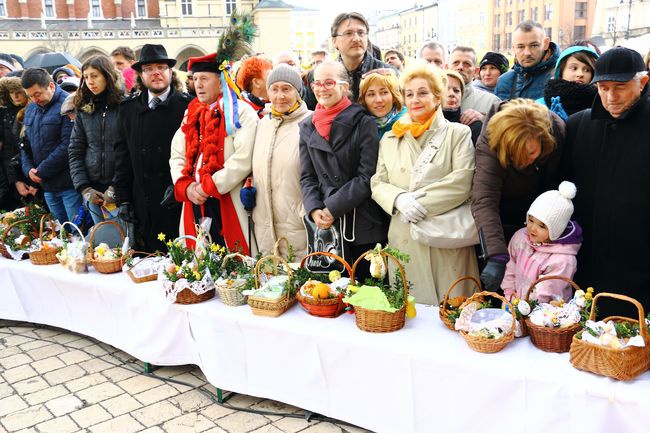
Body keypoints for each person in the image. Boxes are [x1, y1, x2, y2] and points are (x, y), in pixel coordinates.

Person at [371, 63, 479, 305]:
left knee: (454, 314)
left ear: (437, 96)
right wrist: (399, 199)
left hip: (445, 236)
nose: (415, 99)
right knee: (410, 314)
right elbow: (378, 182)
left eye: (422, 92)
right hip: (404, 235)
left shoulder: (457, 134)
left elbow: (462, 181)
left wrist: (417, 204)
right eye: (409, 94)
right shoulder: (390, 138)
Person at [563, 47, 650, 317]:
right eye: (603, 87)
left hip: (639, 260)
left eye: (620, 87)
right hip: (586, 257)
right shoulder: (578, 125)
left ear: (643, 82)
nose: (610, 97)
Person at [300, 60, 387, 275]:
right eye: (317, 84)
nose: (322, 88)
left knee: (367, 296)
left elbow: (367, 176)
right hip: (327, 228)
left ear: (345, 87)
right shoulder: (307, 125)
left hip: (362, 225)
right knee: (330, 296)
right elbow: (307, 176)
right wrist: (314, 209)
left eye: (328, 82)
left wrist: (332, 207)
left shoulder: (363, 122)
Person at [471, 98, 565, 292]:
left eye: (530, 153)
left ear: (543, 139)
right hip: (502, 213)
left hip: (541, 214)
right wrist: (496, 255)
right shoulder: (491, 139)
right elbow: (484, 198)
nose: (524, 161)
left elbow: (557, 183)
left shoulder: (558, 132)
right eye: (515, 155)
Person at [169, 52, 258, 253]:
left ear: (220, 82)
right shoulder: (191, 113)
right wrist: (186, 186)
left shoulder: (240, 112)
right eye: (195, 79)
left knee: (233, 260)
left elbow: (244, 158)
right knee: (199, 260)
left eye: (204, 79)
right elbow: (177, 155)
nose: (198, 84)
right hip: (194, 200)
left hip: (227, 199)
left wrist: (210, 186)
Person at [113, 44, 192, 252]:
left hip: (177, 201)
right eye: (149, 68)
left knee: (179, 263)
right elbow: (122, 158)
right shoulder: (128, 109)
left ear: (170, 72)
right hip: (142, 202)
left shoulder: (188, 106)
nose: (156, 72)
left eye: (161, 67)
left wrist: (180, 186)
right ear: (140, 74)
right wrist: (123, 199)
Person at [252, 64, 311, 258]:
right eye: (274, 89)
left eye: (286, 89)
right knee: (269, 283)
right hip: (265, 228)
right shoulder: (262, 124)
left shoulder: (310, 122)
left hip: (298, 226)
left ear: (298, 92)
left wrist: (305, 211)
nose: (280, 96)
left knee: (301, 284)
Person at [68, 55, 123, 234]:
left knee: (122, 239)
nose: (90, 81)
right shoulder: (84, 108)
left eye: (95, 76)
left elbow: (129, 151)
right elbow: (75, 150)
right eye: (86, 77)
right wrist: (84, 188)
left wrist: (116, 186)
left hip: (119, 188)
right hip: (92, 188)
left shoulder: (125, 105)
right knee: (102, 242)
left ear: (107, 76)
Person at [502, 181, 582, 303]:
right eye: (531, 220)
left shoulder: (563, 260)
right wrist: (509, 295)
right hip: (517, 304)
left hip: (546, 314)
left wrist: (524, 308)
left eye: (542, 226)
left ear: (555, 230)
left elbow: (546, 293)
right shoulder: (520, 238)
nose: (533, 228)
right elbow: (510, 266)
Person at [20, 68, 82, 223]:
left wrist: (41, 171)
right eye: (30, 96)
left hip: (68, 183)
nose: (34, 99)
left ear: (51, 86)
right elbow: (24, 144)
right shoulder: (32, 109)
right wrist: (28, 170)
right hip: (47, 185)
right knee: (60, 234)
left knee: (76, 230)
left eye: (37, 94)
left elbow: (68, 144)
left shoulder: (67, 104)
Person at [303, 12, 392, 110]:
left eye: (361, 33)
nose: (356, 38)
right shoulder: (318, 76)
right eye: (348, 33)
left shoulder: (387, 72)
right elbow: (310, 114)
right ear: (334, 41)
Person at [495, 20, 560, 101]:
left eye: (534, 45)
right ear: (514, 47)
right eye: (520, 47)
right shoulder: (504, 81)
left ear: (546, 44)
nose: (527, 53)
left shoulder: (560, 76)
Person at [536, 45, 598, 121]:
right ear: (561, 71)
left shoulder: (600, 105)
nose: (580, 74)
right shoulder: (539, 107)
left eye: (587, 70)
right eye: (574, 68)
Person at [0, 76, 33, 210]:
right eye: (11, 92)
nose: (15, 95)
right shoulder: (4, 114)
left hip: (30, 170)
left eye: (18, 91)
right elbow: (7, 149)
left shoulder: (31, 110)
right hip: (11, 171)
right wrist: (14, 179)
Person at [448, 46, 500, 124]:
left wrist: (484, 119)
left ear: (476, 71)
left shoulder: (492, 102)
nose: (460, 67)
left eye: (466, 64)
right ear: (446, 67)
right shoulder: (432, 99)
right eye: (456, 63)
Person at [358, 68, 405, 138]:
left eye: (384, 93)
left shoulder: (408, 123)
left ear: (394, 96)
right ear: (364, 100)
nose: (378, 100)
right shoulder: (359, 127)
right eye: (371, 94)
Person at [442, 70, 482, 145]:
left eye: (456, 90)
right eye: (446, 89)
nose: (451, 94)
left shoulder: (473, 126)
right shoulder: (426, 125)